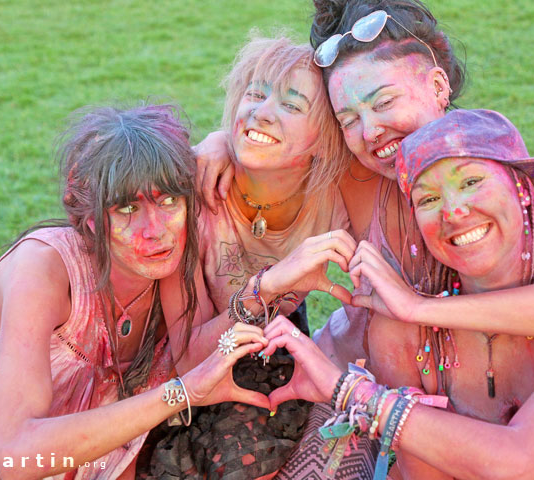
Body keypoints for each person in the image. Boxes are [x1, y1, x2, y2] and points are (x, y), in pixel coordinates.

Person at [195, 1, 534, 371]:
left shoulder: (510, 182)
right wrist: (220, 144)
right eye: (348, 119)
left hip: (476, 388)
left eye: (384, 103)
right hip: (353, 374)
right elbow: (278, 135)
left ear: (437, 86)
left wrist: (423, 310)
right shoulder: (354, 171)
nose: (370, 130)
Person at [261, 109, 534, 480]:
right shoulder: (409, 334)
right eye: (427, 200)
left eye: (472, 181)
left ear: (522, 190)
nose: (453, 211)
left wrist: (350, 390)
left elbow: (521, 461)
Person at [0, 104, 271, 480]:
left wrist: (274, 284)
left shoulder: (168, 267)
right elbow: (15, 455)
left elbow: (195, 356)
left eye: (168, 201)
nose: (155, 230)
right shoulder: (43, 269)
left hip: (84, 469)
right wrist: (179, 393)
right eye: (127, 208)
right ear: (87, 216)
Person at [141, 35, 374, 480]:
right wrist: (269, 284)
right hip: (174, 354)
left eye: (291, 104)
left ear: (326, 137)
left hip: (269, 345)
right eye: (254, 92)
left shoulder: (339, 197)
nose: (261, 111)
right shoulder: (193, 192)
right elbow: (190, 359)